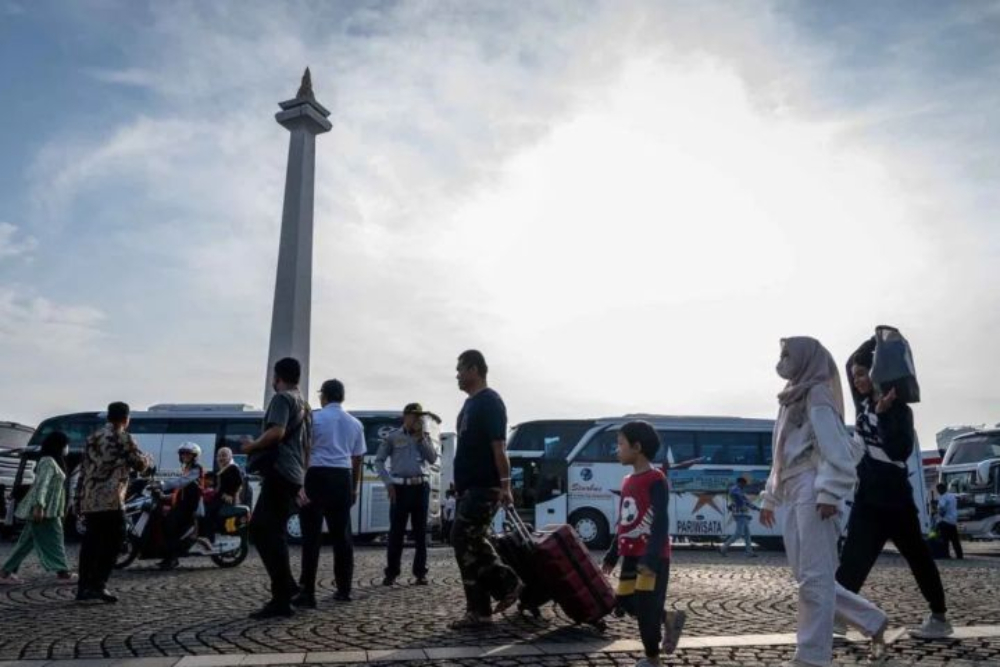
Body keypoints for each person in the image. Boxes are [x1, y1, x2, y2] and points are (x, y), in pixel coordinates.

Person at [760, 338, 901, 667]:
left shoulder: (817, 393)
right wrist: (770, 496)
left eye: (786, 355)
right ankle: (873, 621)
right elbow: (780, 455)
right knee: (810, 577)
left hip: (812, 485)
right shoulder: (790, 396)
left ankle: (811, 657)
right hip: (793, 486)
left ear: (806, 358)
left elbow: (834, 448)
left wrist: (829, 492)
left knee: (813, 578)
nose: (780, 362)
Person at [835, 337, 953, 639]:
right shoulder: (862, 403)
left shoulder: (900, 411)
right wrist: (879, 340)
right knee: (852, 561)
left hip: (897, 502)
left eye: (863, 374)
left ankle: (939, 618)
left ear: (876, 375)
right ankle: (837, 618)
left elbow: (899, 451)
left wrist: (885, 414)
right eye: (856, 376)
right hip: (867, 500)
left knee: (919, 559)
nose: (857, 380)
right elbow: (850, 362)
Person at [601, 421, 685, 667]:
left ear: (636, 447)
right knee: (626, 601)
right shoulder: (627, 480)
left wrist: (650, 558)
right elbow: (625, 523)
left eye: (620, 444)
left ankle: (652, 659)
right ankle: (667, 617)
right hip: (630, 557)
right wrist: (612, 554)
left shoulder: (655, 479)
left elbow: (660, 520)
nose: (616, 449)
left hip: (651, 557)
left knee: (647, 609)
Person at [450, 349, 522, 628]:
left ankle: (508, 583)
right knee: (465, 545)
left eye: (460, 369)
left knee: (464, 537)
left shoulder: (490, 402)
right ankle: (478, 611)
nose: (456, 375)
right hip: (470, 488)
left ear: (474, 369)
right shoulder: (468, 406)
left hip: (486, 487)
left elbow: (498, 446)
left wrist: (505, 485)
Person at [242, 357, 311, 619]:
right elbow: (308, 447)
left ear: (277, 377)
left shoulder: (282, 399)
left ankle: (283, 594)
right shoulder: (305, 404)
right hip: (293, 473)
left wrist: (251, 446)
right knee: (273, 531)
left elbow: (277, 433)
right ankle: (285, 590)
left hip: (280, 471)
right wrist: (302, 476)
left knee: (262, 529)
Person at [292, 379, 364, 608]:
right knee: (342, 536)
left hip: (315, 475)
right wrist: (354, 487)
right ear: (342, 396)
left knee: (311, 537)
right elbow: (357, 458)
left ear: (323, 396)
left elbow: (303, 450)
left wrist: (300, 483)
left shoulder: (313, 418)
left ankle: (307, 592)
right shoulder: (355, 423)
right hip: (342, 477)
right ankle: (344, 589)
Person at [76, 402, 151, 603]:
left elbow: (83, 469)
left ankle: (83, 587)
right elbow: (139, 464)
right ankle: (98, 585)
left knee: (91, 543)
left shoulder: (92, 437)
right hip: (111, 499)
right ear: (126, 419)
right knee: (116, 540)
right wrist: (147, 461)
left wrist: (78, 498)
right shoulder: (123, 437)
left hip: (90, 496)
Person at [376, 402, 440, 586]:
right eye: (414, 415)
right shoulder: (393, 437)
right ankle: (391, 573)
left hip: (420, 487)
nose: (418, 419)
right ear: (405, 416)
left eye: (420, 416)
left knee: (420, 533)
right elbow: (379, 461)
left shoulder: (424, 437)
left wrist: (421, 439)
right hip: (399, 489)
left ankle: (421, 573)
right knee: (396, 532)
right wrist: (388, 483)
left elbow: (433, 459)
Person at [0, 432, 76, 585]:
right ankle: (63, 572)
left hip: (49, 509)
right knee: (56, 539)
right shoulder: (48, 461)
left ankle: (5, 572)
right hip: (46, 511)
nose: (67, 448)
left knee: (25, 543)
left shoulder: (53, 460)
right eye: (65, 444)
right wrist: (39, 506)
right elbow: (42, 485)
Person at [158, 442, 207, 570]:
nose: (184, 456)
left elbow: (181, 482)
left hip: (191, 506)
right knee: (165, 524)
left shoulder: (197, 468)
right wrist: (164, 496)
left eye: (187, 453)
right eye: (183, 453)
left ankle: (173, 559)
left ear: (194, 456)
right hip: (182, 504)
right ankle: (167, 557)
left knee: (171, 526)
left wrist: (163, 485)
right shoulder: (186, 468)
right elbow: (180, 490)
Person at [204, 447, 244, 543]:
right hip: (220, 496)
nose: (221, 458)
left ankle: (210, 539)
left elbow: (239, 482)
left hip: (225, 499)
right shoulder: (224, 468)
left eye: (224, 455)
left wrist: (230, 494)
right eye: (219, 456)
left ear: (230, 457)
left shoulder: (233, 467)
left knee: (208, 513)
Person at [720, 476, 760, 557]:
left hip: (743, 514)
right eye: (743, 484)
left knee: (747, 534)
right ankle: (723, 547)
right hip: (740, 514)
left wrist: (756, 508)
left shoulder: (739, 490)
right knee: (738, 534)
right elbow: (738, 497)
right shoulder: (735, 489)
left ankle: (749, 552)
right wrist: (741, 504)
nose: (744, 486)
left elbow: (746, 502)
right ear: (740, 482)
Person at [935, 483, 962, 559]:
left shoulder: (943, 497)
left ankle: (946, 555)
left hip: (944, 521)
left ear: (941, 489)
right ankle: (959, 555)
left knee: (945, 540)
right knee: (955, 540)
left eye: (938, 490)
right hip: (953, 520)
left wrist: (939, 515)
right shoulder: (952, 496)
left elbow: (942, 508)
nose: (938, 491)